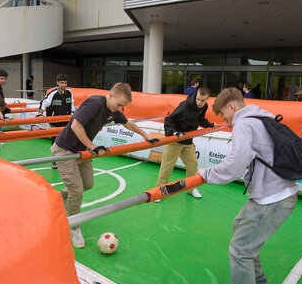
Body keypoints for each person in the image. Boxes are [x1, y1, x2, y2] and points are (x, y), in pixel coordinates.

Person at [198, 88, 298, 284]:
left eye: (223, 114)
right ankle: (259, 282)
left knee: (240, 249)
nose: (224, 120)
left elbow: (235, 163)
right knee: (239, 226)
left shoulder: (244, 123)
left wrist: (207, 175)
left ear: (232, 106)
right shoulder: (263, 116)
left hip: (271, 199)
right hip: (276, 193)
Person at [52, 83, 154, 248]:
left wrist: (145, 135)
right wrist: (93, 147)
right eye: (119, 104)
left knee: (87, 184)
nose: (119, 108)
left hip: (82, 150)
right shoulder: (95, 103)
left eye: (123, 106)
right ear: (111, 95)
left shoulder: (112, 110)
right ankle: (74, 226)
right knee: (77, 190)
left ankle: (63, 195)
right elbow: (75, 126)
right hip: (65, 149)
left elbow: (128, 123)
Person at [155, 86, 215, 201]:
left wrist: (210, 125)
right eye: (198, 99)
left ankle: (191, 188)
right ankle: (158, 191)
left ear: (207, 100)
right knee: (167, 166)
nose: (199, 102)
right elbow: (169, 120)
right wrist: (174, 132)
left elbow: (201, 120)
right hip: (175, 140)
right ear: (196, 95)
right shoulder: (184, 106)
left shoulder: (204, 107)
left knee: (193, 164)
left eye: (202, 101)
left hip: (188, 141)